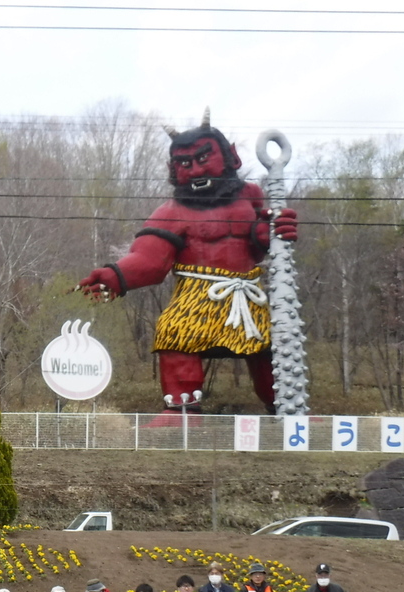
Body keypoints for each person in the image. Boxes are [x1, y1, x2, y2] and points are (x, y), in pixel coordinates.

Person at [75, 110, 298, 415]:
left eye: (203, 159)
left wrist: (275, 229)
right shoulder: (170, 211)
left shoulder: (252, 196)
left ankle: (285, 408)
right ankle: (182, 411)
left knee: (271, 349)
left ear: (230, 156)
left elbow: (261, 241)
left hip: (247, 296)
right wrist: (115, 276)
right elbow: (150, 259)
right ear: (172, 169)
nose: (194, 170)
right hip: (195, 297)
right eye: (184, 163)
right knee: (173, 333)